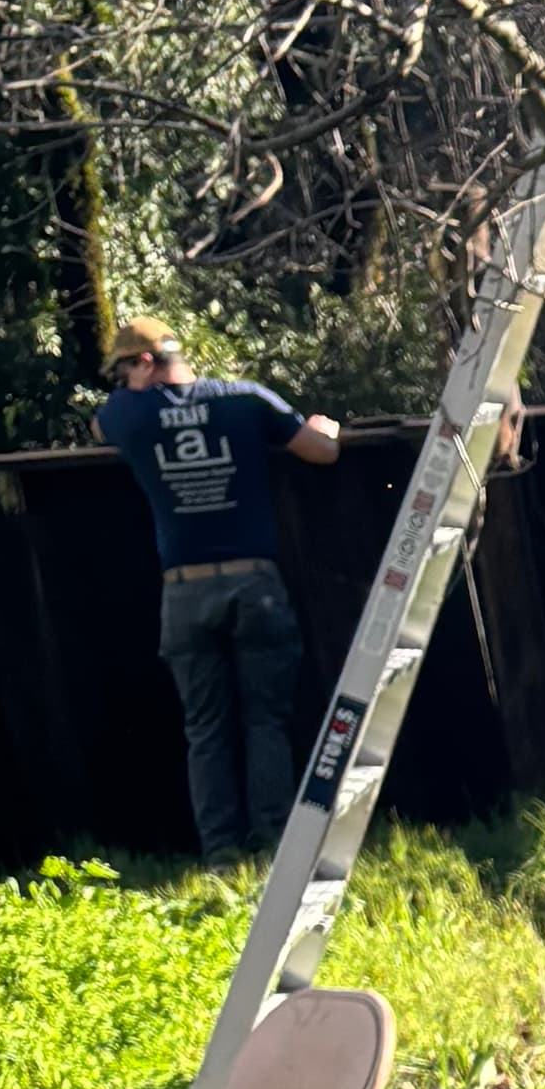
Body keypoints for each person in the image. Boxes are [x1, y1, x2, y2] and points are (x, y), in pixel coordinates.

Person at [94, 319, 342, 861]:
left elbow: (99, 430)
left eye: (123, 371)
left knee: (205, 729)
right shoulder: (245, 401)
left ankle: (221, 854)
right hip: (256, 585)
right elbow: (321, 451)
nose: (121, 383)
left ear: (144, 363)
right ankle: (272, 844)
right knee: (266, 720)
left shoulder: (125, 414)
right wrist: (326, 427)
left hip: (184, 593)